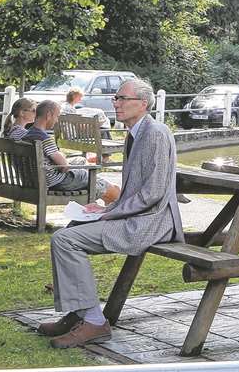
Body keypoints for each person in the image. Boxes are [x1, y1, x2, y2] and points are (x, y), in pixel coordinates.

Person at [37, 78, 183, 349]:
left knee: (65, 240)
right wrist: (106, 208)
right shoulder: (136, 132)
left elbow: (152, 193)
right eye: (116, 98)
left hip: (151, 223)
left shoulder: (156, 133)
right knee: (68, 231)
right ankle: (78, 313)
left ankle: (94, 322)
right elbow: (134, 192)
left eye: (121, 98)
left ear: (142, 103)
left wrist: (110, 214)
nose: (115, 103)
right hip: (137, 216)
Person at [30, 100, 92, 193]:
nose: (57, 120)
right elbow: (64, 167)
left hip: (33, 180)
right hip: (54, 182)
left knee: (80, 160)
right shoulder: (44, 139)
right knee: (95, 179)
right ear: (49, 115)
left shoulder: (27, 135)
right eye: (57, 116)